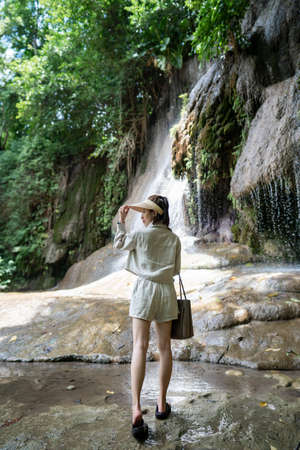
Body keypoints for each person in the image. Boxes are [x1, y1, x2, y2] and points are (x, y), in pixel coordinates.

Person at [113, 194, 181, 440]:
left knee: (140, 347)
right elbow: (175, 270)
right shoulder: (174, 239)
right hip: (165, 291)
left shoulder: (141, 235)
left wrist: (121, 222)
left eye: (145, 211)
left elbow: (119, 243)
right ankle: (162, 405)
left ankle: (135, 408)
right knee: (164, 348)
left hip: (144, 290)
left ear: (155, 214)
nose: (141, 215)